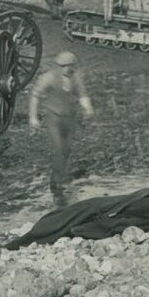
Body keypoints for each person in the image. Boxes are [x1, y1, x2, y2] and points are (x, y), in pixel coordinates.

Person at [29, 52, 95, 205]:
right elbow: (35, 95)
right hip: (53, 118)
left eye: (69, 66)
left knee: (67, 149)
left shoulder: (76, 78)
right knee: (59, 148)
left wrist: (88, 108)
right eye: (63, 66)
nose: (66, 69)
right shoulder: (49, 78)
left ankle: (61, 174)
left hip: (69, 117)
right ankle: (55, 183)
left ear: (74, 66)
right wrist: (33, 117)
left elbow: (82, 95)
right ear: (58, 66)